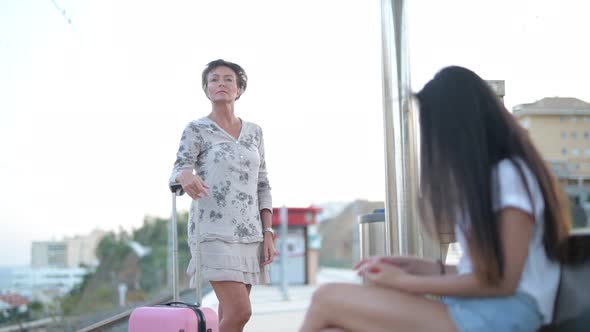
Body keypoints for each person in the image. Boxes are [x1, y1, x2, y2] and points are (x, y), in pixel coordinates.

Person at [299, 66, 571, 332]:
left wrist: (406, 282)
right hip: (483, 309)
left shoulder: (509, 176)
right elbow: (482, 274)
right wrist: (424, 268)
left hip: (506, 314)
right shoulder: (496, 178)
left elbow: (503, 282)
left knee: (326, 299)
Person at [170, 59, 277, 332]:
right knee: (241, 311)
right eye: (214, 79)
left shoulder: (255, 132)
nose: (221, 83)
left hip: (250, 234)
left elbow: (263, 183)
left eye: (228, 79)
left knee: (230, 316)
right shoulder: (196, 129)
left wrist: (268, 232)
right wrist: (186, 177)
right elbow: (178, 171)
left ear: (239, 89)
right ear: (207, 90)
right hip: (212, 231)